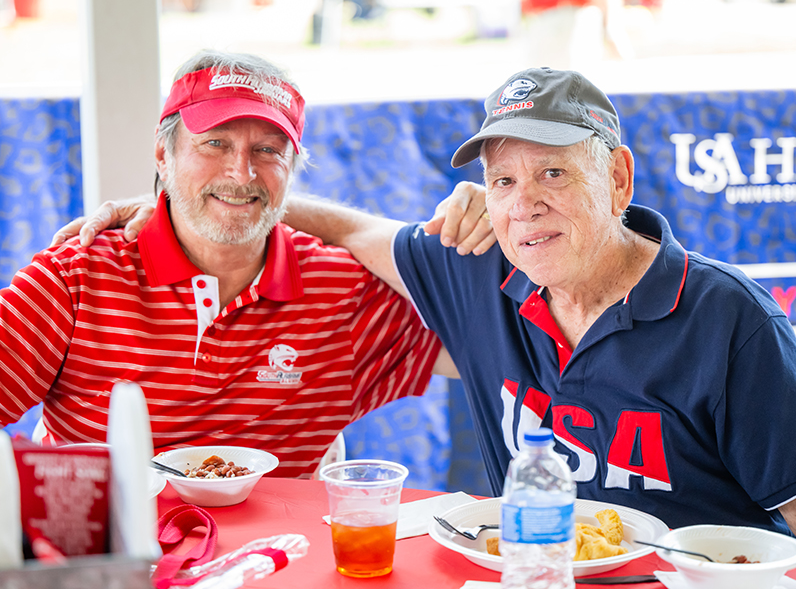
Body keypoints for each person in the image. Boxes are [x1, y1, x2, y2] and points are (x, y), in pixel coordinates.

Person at [59, 67, 796, 579]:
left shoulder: (726, 320)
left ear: (616, 178)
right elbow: (351, 229)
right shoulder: (477, 272)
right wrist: (198, 204)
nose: (522, 202)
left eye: (553, 173)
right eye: (500, 179)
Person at [0, 49, 489, 480]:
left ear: (292, 171)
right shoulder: (77, 276)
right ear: (162, 155)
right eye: (215, 143)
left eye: (267, 150)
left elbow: (507, 347)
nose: (241, 171)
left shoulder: (340, 290)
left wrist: (506, 221)